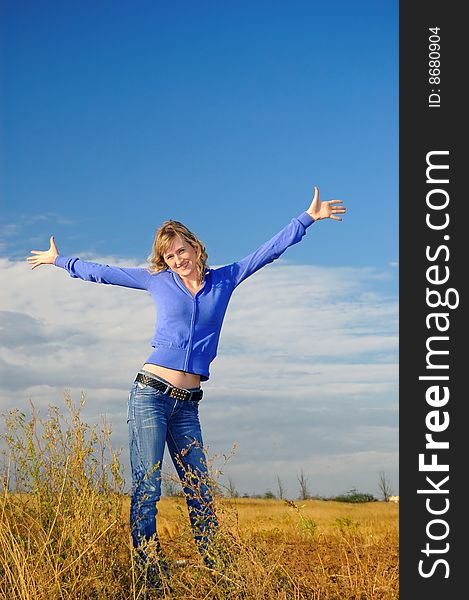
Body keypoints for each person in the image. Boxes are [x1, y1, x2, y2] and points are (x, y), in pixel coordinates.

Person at [27, 186, 346, 591]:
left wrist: (306, 219)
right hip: (150, 395)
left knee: (200, 492)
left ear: (195, 246)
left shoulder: (225, 280)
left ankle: (220, 575)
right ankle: (148, 578)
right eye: (169, 255)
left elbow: (267, 252)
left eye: (182, 251)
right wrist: (61, 261)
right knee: (147, 487)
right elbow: (104, 273)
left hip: (188, 405)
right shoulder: (157, 281)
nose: (178, 260)